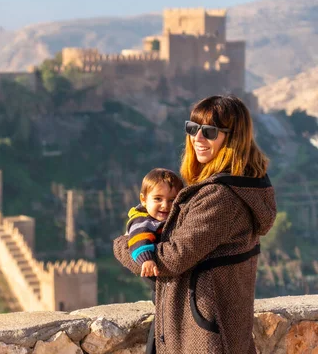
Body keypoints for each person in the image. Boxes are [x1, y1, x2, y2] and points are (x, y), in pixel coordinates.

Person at [113, 95, 276, 354]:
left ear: (232, 138)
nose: (197, 139)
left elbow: (172, 259)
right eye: (192, 128)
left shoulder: (221, 197)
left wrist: (124, 243)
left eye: (209, 132)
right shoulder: (238, 186)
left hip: (205, 337)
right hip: (208, 330)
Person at [126, 168, 184, 280]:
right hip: (155, 275)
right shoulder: (143, 221)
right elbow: (139, 240)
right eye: (158, 199)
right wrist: (146, 259)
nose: (165, 205)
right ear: (143, 200)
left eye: (172, 200)